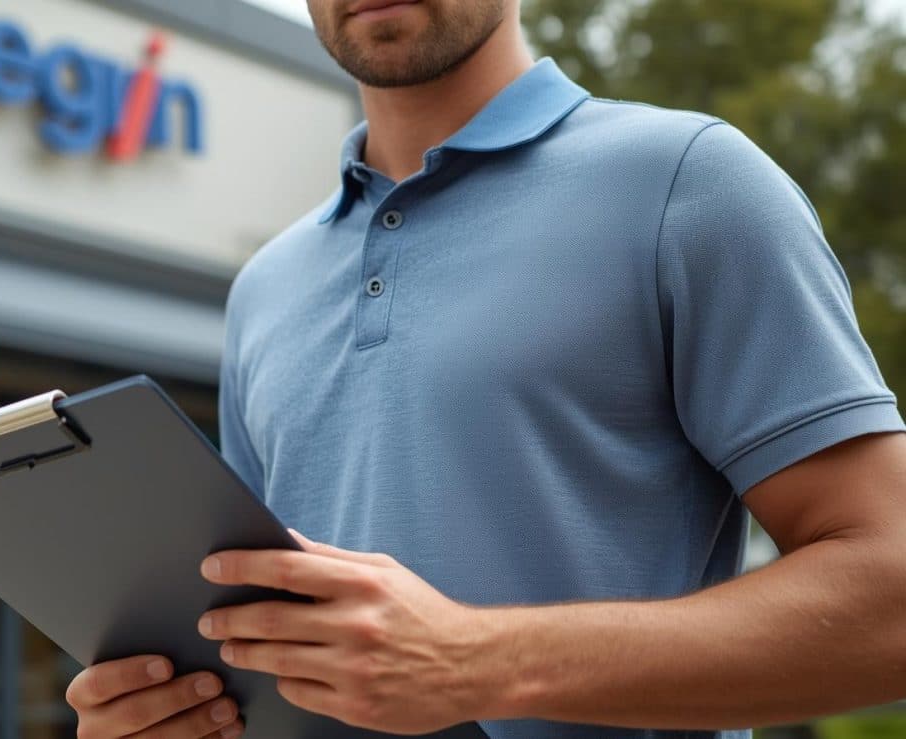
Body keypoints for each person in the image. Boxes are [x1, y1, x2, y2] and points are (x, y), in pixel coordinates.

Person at [64, 1, 906, 737]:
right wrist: (177, 709)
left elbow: (890, 603)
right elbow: (253, 635)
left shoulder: (691, 186)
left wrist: (479, 661)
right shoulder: (265, 289)